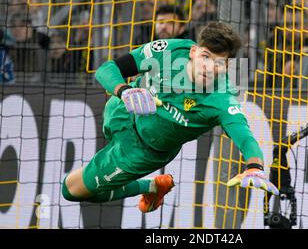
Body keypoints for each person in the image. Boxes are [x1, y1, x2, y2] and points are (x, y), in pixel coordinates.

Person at [62, 21, 279, 212]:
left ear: (226, 67)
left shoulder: (222, 100)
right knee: (87, 185)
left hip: (141, 151)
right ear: (194, 52)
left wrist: (255, 166)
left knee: (72, 190)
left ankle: (152, 187)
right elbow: (107, 69)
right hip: (123, 108)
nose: (209, 67)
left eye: (219, 63)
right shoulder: (170, 50)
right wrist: (123, 90)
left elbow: (245, 136)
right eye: (205, 57)